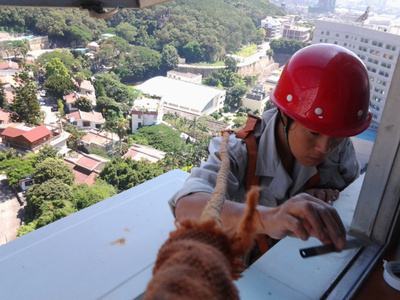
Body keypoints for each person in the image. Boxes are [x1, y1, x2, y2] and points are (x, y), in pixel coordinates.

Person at [169, 44, 372, 254]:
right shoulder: (238, 151)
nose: (324, 148)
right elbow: (186, 206)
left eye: (336, 137)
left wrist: (324, 198)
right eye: (313, 133)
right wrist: (269, 218)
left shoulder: (340, 147)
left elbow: (352, 195)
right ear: (284, 116)